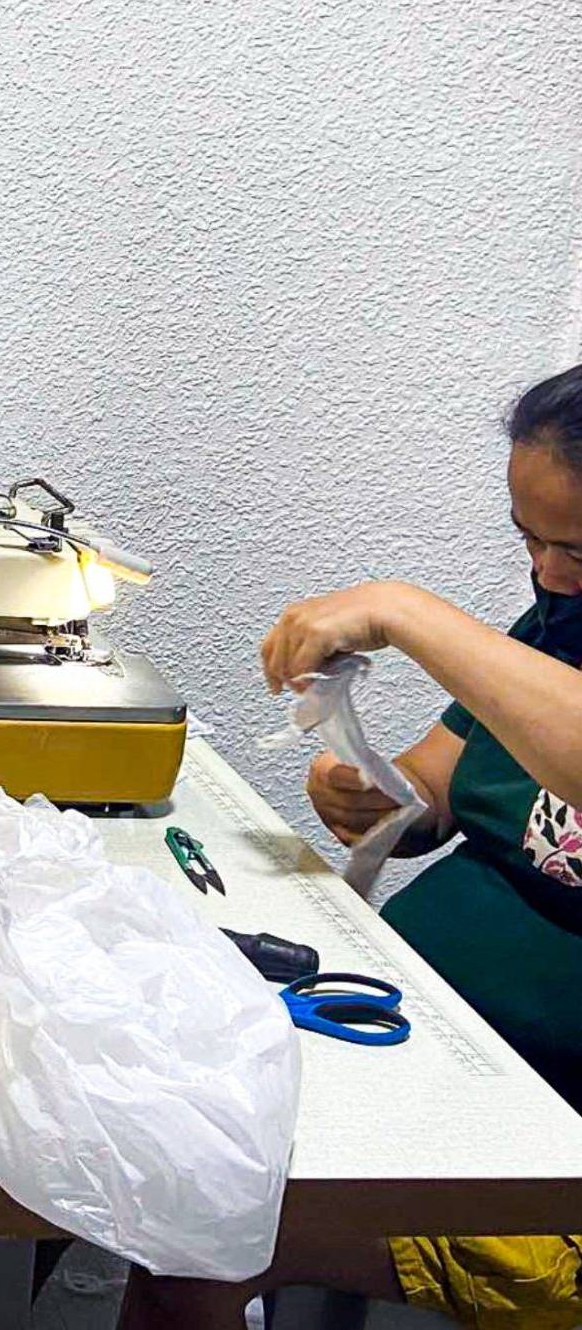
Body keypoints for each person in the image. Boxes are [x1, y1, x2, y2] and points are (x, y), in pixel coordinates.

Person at [121, 363, 582, 1328]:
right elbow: (443, 791)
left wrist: (400, 610)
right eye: (527, 539)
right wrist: (375, 790)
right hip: (426, 1054)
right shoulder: (557, 626)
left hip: (548, 1167)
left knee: (201, 1235)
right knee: (139, 1103)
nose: (544, 573)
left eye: (575, 548)